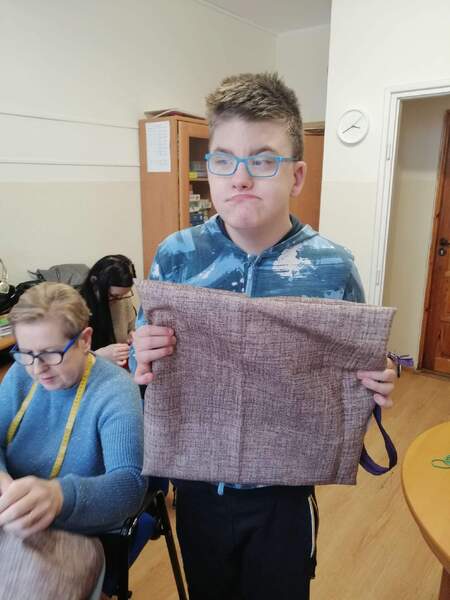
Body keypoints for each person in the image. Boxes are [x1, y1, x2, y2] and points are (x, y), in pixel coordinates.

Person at [133, 72, 396, 600]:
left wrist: (380, 375)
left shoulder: (332, 266)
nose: (240, 178)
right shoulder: (176, 256)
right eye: (224, 160)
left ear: (297, 176)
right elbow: (147, 351)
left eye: (263, 160)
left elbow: (359, 360)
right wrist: (142, 352)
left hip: (286, 493)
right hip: (198, 485)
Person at [0, 282, 147, 595]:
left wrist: (59, 497)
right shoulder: (20, 374)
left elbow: (130, 486)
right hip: (14, 515)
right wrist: (4, 482)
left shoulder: (115, 391)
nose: (38, 369)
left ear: (85, 340)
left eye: (51, 354)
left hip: (78, 531)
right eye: (27, 354)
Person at [80, 255, 136, 367]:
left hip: (119, 367)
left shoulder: (122, 299)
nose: (119, 300)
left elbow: (132, 329)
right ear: (94, 282)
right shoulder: (75, 309)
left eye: (123, 295)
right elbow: (69, 361)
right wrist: (99, 356)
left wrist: (132, 335)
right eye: (113, 296)